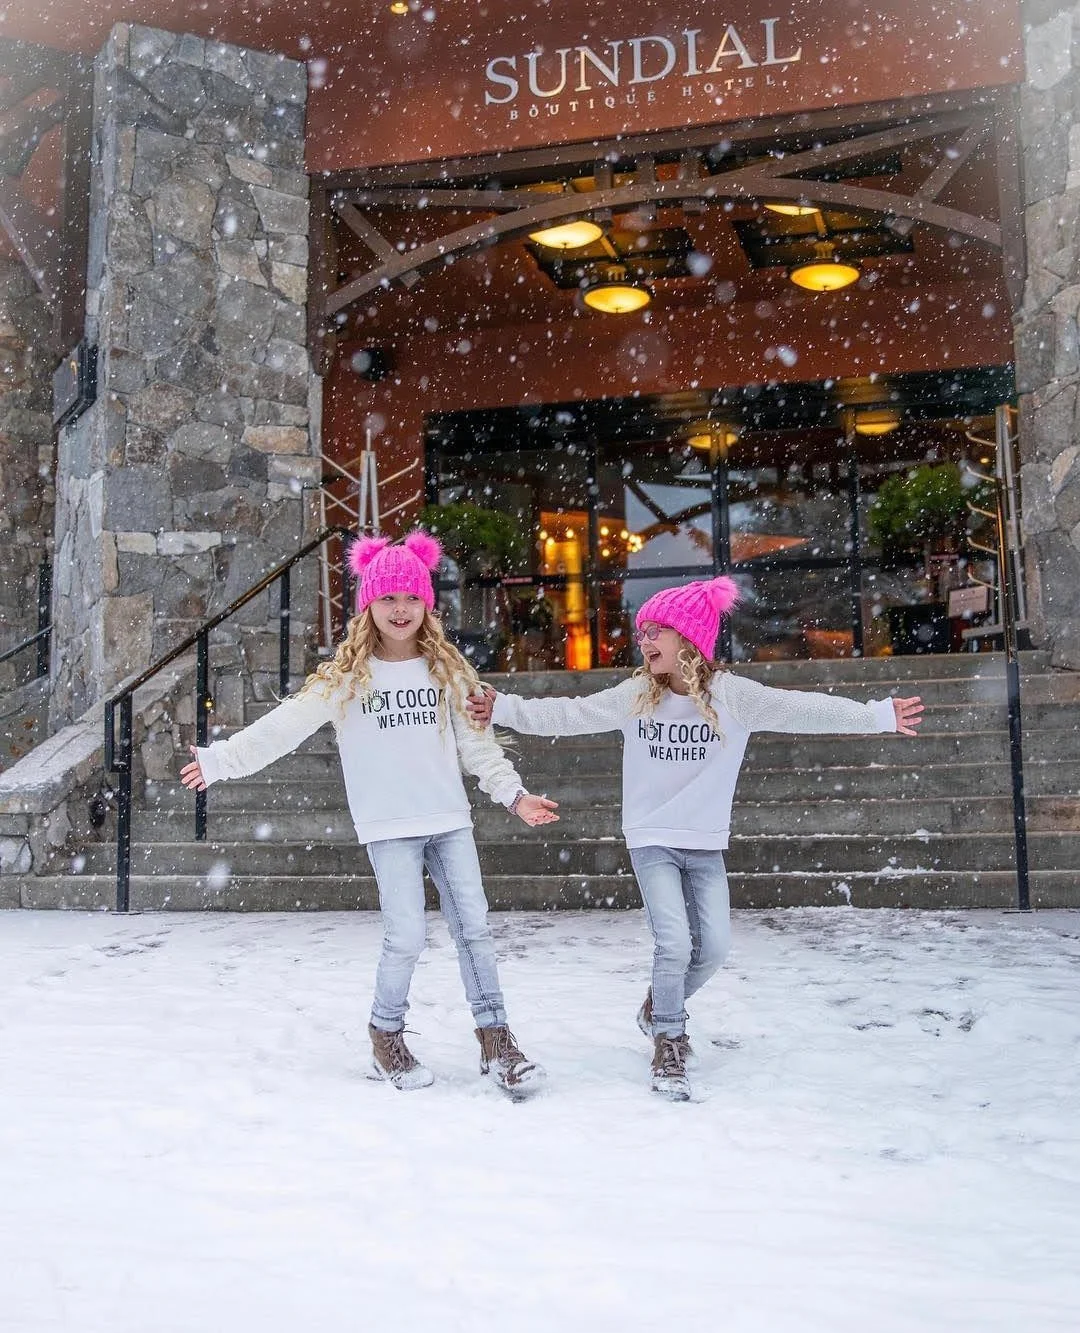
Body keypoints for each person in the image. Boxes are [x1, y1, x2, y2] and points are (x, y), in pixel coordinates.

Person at [468, 576, 923, 1102]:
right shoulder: (637, 695)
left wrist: (874, 716)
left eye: (657, 630)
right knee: (674, 943)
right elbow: (570, 714)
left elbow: (802, 708)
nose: (645, 639)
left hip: (704, 840)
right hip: (650, 838)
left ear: (690, 638)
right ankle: (669, 1040)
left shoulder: (733, 697)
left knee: (715, 947)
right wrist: (506, 708)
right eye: (643, 631)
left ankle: (657, 1007)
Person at [180, 530, 559, 1097]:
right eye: (388, 599)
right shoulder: (345, 680)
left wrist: (513, 794)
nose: (401, 609)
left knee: (474, 930)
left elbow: (478, 745)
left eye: (411, 598)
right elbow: (281, 730)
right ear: (369, 606)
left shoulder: (448, 672)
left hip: (448, 819)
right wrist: (221, 762)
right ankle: (386, 1034)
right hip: (390, 828)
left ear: (427, 603)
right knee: (405, 937)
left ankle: (495, 1038)